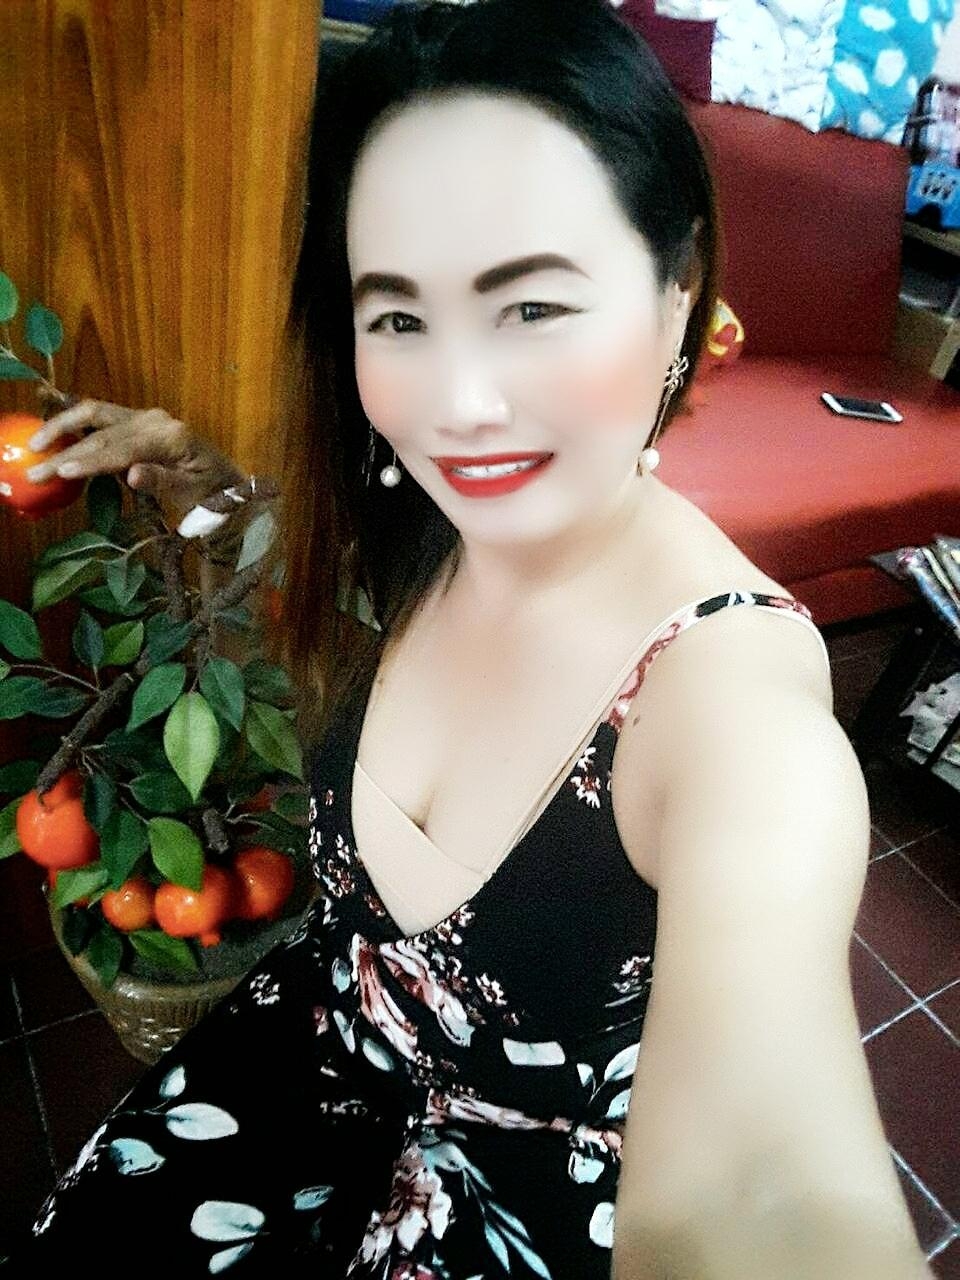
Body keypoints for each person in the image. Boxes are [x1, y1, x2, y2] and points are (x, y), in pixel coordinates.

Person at [5, 1, 932, 1276]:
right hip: (293, 1073)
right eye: (398, 318)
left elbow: (759, 1195)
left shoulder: (727, 707)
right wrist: (194, 480)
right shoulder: (427, 525)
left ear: (679, 293)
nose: (460, 406)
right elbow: (303, 560)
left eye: (533, 306)